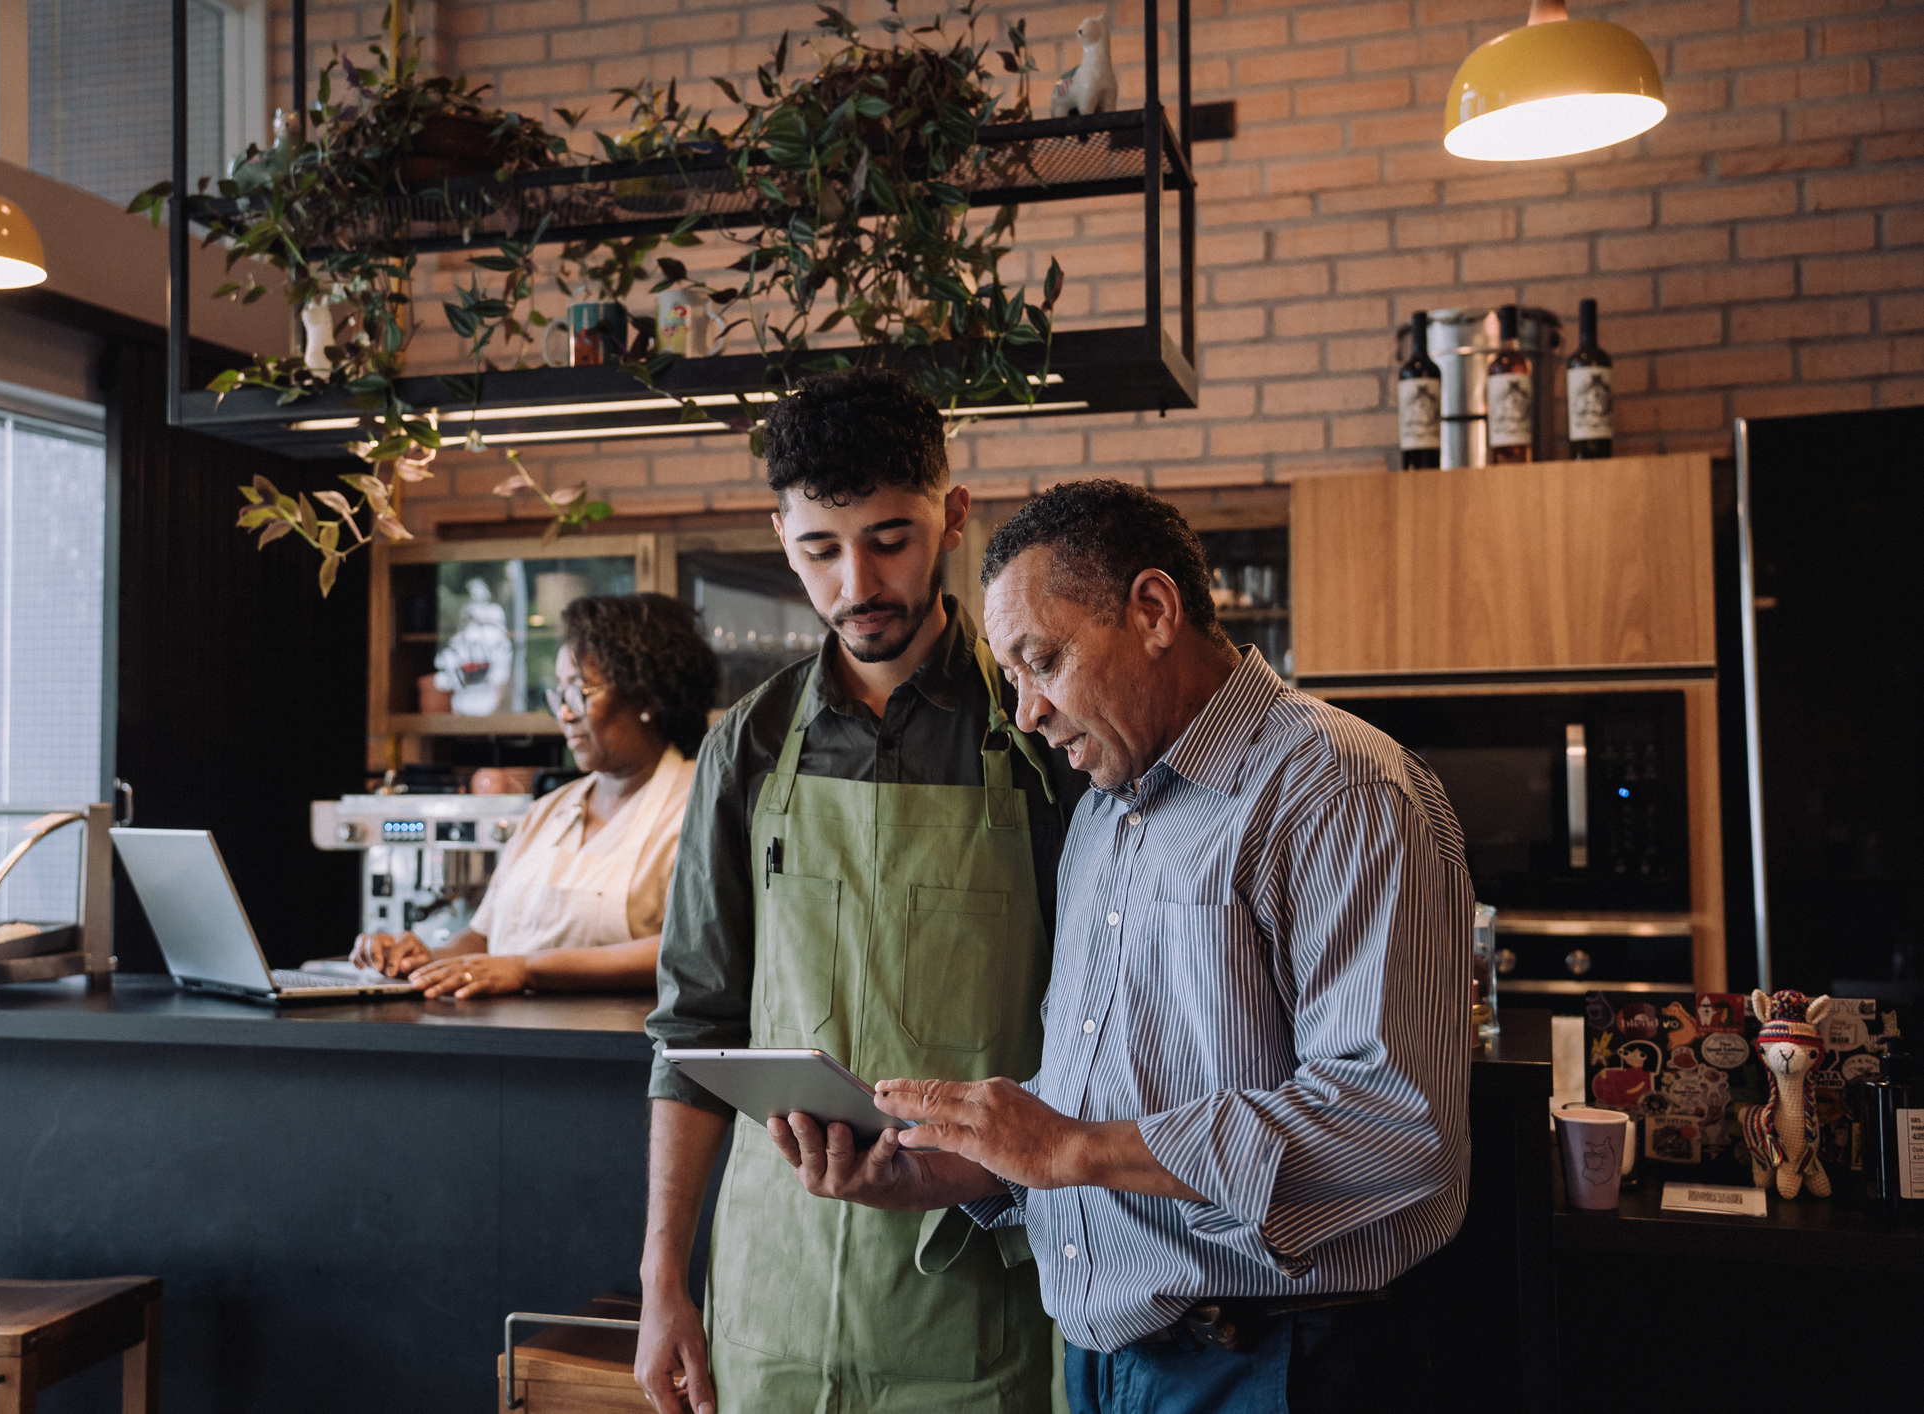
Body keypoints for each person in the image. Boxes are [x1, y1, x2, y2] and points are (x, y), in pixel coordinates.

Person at [767, 480, 1473, 1413]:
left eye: (1042, 661)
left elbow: (1394, 1129)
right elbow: (1108, 1105)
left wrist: (1070, 1148)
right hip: (1106, 1359)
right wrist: (946, 1169)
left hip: (1272, 1362)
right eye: (1010, 677)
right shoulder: (1106, 809)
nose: (1026, 712)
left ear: (1152, 611)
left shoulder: (1337, 789)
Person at [637, 369, 1083, 1414]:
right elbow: (695, 1026)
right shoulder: (747, 745)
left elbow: (1101, 1024)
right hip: (777, 1272)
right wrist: (663, 1278)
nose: (856, 583)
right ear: (780, 536)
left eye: (889, 540)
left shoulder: (1040, 732)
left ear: (952, 517)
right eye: (819, 550)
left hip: (978, 1272)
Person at [352, 593, 719, 998]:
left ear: (648, 695)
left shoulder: (701, 805)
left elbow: (693, 950)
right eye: (559, 694)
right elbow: (483, 938)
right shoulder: (548, 811)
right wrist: (425, 959)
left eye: (580, 692)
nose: (564, 713)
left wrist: (528, 970)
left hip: (620, 1035)